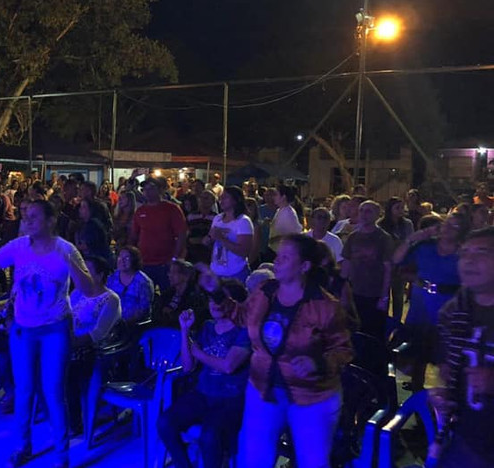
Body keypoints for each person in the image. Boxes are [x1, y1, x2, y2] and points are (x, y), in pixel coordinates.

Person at [0, 199, 94, 468]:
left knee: (53, 391)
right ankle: (22, 445)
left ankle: (62, 453)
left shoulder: (66, 250)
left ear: (51, 221)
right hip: (24, 328)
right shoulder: (18, 247)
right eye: (25, 216)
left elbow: (88, 290)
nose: (27, 221)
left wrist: (72, 264)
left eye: (34, 216)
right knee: (24, 389)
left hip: (55, 328)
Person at [229, 234, 354, 468]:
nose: (277, 261)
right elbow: (243, 317)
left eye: (285, 257)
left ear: (304, 266)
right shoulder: (265, 291)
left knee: (311, 461)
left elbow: (343, 349)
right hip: (263, 388)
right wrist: (216, 293)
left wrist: (319, 362)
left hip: (311, 395)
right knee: (253, 458)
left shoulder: (325, 306)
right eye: (278, 255)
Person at [158, 280, 251, 468]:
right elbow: (187, 366)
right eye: (211, 300)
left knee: (209, 436)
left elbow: (229, 366)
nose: (214, 304)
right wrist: (185, 331)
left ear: (234, 304)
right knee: (165, 423)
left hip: (230, 399)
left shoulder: (244, 331)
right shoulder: (207, 327)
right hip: (202, 393)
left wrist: (199, 353)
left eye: (219, 300)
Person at [428, 226, 494, 467]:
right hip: (467, 438)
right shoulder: (453, 313)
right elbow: (449, 371)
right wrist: (445, 395)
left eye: (481, 252)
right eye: (464, 253)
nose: (469, 260)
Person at [392, 213, 467, 391]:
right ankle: (417, 395)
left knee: (446, 359)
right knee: (417, 356)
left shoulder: (463, 253)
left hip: (447, 308)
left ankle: (448, 399)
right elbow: (396, 259)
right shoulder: (425, 246)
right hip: (421, 305)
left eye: (454, 226)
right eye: (446, 223)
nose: (447, 228)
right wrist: (413, 238)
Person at [67, 255, 122, 433]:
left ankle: (75, 421)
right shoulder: (77, 293)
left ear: (99, 275)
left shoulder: (110, 299)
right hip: (71, 342)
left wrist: (71, 342)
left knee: (67, 368)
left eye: (87, 271)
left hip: (95, 349)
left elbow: (99, 333)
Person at [342, 200, 394, 342]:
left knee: (374, 334)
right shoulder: (353, 237)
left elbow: (388, 268)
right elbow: (346, 264)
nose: (364, 214)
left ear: (377, 215)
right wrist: (342, 289)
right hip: (354, 292)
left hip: (374, 293)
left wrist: (384, 296)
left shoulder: (384, 238)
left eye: (368, 211)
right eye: (362, 210)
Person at [130, 177, 188, 291]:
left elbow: (181, 234)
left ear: (160, 190)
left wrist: (175, 258)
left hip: (165, 263)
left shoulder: (172, 209)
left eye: (151, 188)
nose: (147, 192)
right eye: (145, 189)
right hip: (145, 262)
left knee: (167, 293)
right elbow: (134, 235)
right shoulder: (140, 211)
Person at [205, 186, 253, 283]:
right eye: (221, 197)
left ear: (235, 200)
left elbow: (244, 251)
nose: (221, 200)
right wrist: (208, 239)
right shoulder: (217, 219)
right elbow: (211, 241)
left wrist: (221, 238)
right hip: (216, 270)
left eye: (225, 197)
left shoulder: (243, 221)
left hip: (235, 271)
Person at [379, 197, 415, 319]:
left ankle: (397, 321)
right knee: (384, 294)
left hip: (400, 264)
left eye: (402, 208)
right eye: (397, 208)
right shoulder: (381, 224)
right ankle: (383, 319)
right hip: (385, 263)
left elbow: (410, 242)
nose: (401, 210)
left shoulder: (407, 224)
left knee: (398, 295)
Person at [106, 246, 154, 324]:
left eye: (127, 258)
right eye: (120, 257)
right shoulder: (112, 277)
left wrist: (124, 322)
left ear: (134, 261)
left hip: (135, 325)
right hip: (111, 321)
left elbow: (144, 309)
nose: (122, 260)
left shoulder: (143, 282)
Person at [153, 259, 206, 328]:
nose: (169, 275)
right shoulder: (168, 293)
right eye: (170, 272)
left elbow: (193, 319)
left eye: (174, 272)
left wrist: (170, 313)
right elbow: (156, 312)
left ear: (186, 276)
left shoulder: (195, 297)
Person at [75, 198, 114, 267]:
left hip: (100, 263)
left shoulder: (93, 225)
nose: (80, 209)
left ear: (91, 210)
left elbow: (85, 246)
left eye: (83, 207)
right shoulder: (86, 224)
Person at [267, 184, 303, 256]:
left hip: (282, 252)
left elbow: (293, 234)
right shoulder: (280, 210)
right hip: (276, 250)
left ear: (283, 197)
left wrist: (275, 239)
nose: (273, 197)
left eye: (276, 194)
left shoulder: (288, 213)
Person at [186, 190, 217, 264]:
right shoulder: (191, 216)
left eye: (206, 198)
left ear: (213, 202)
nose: (203, 200)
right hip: (191, 253)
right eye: (201, 198)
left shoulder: (216, 218)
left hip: (209, 254)